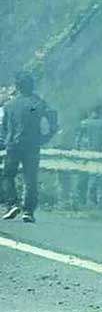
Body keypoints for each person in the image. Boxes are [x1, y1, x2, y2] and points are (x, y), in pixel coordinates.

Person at [1, 71, 58, 223]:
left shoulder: (9, 105)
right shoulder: (38, 103)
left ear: (18, 87)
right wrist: (46, 137)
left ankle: (12, 203)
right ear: (31, 86)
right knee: (30, 178)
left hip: (13, 145)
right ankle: (28, 211)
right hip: (32, 145)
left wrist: (6, 140)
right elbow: (53, 118)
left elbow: (4, 126)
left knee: (8, 175)